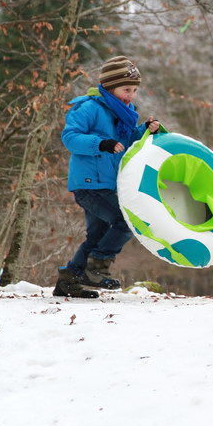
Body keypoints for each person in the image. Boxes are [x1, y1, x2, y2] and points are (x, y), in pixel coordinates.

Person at [53, 56, 161, 298]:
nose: (131, 95)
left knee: (97, 235)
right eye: (126, 89)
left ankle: (69, 281)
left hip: (107, 184)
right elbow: (70, 137)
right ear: (110, 87)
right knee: (126, 220)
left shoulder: (124, 113)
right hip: (89, 184)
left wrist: (144, 130)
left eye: (134, 90)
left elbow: (125, 142)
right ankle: (97, 269)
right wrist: (101, 143)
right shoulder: (89, 107)